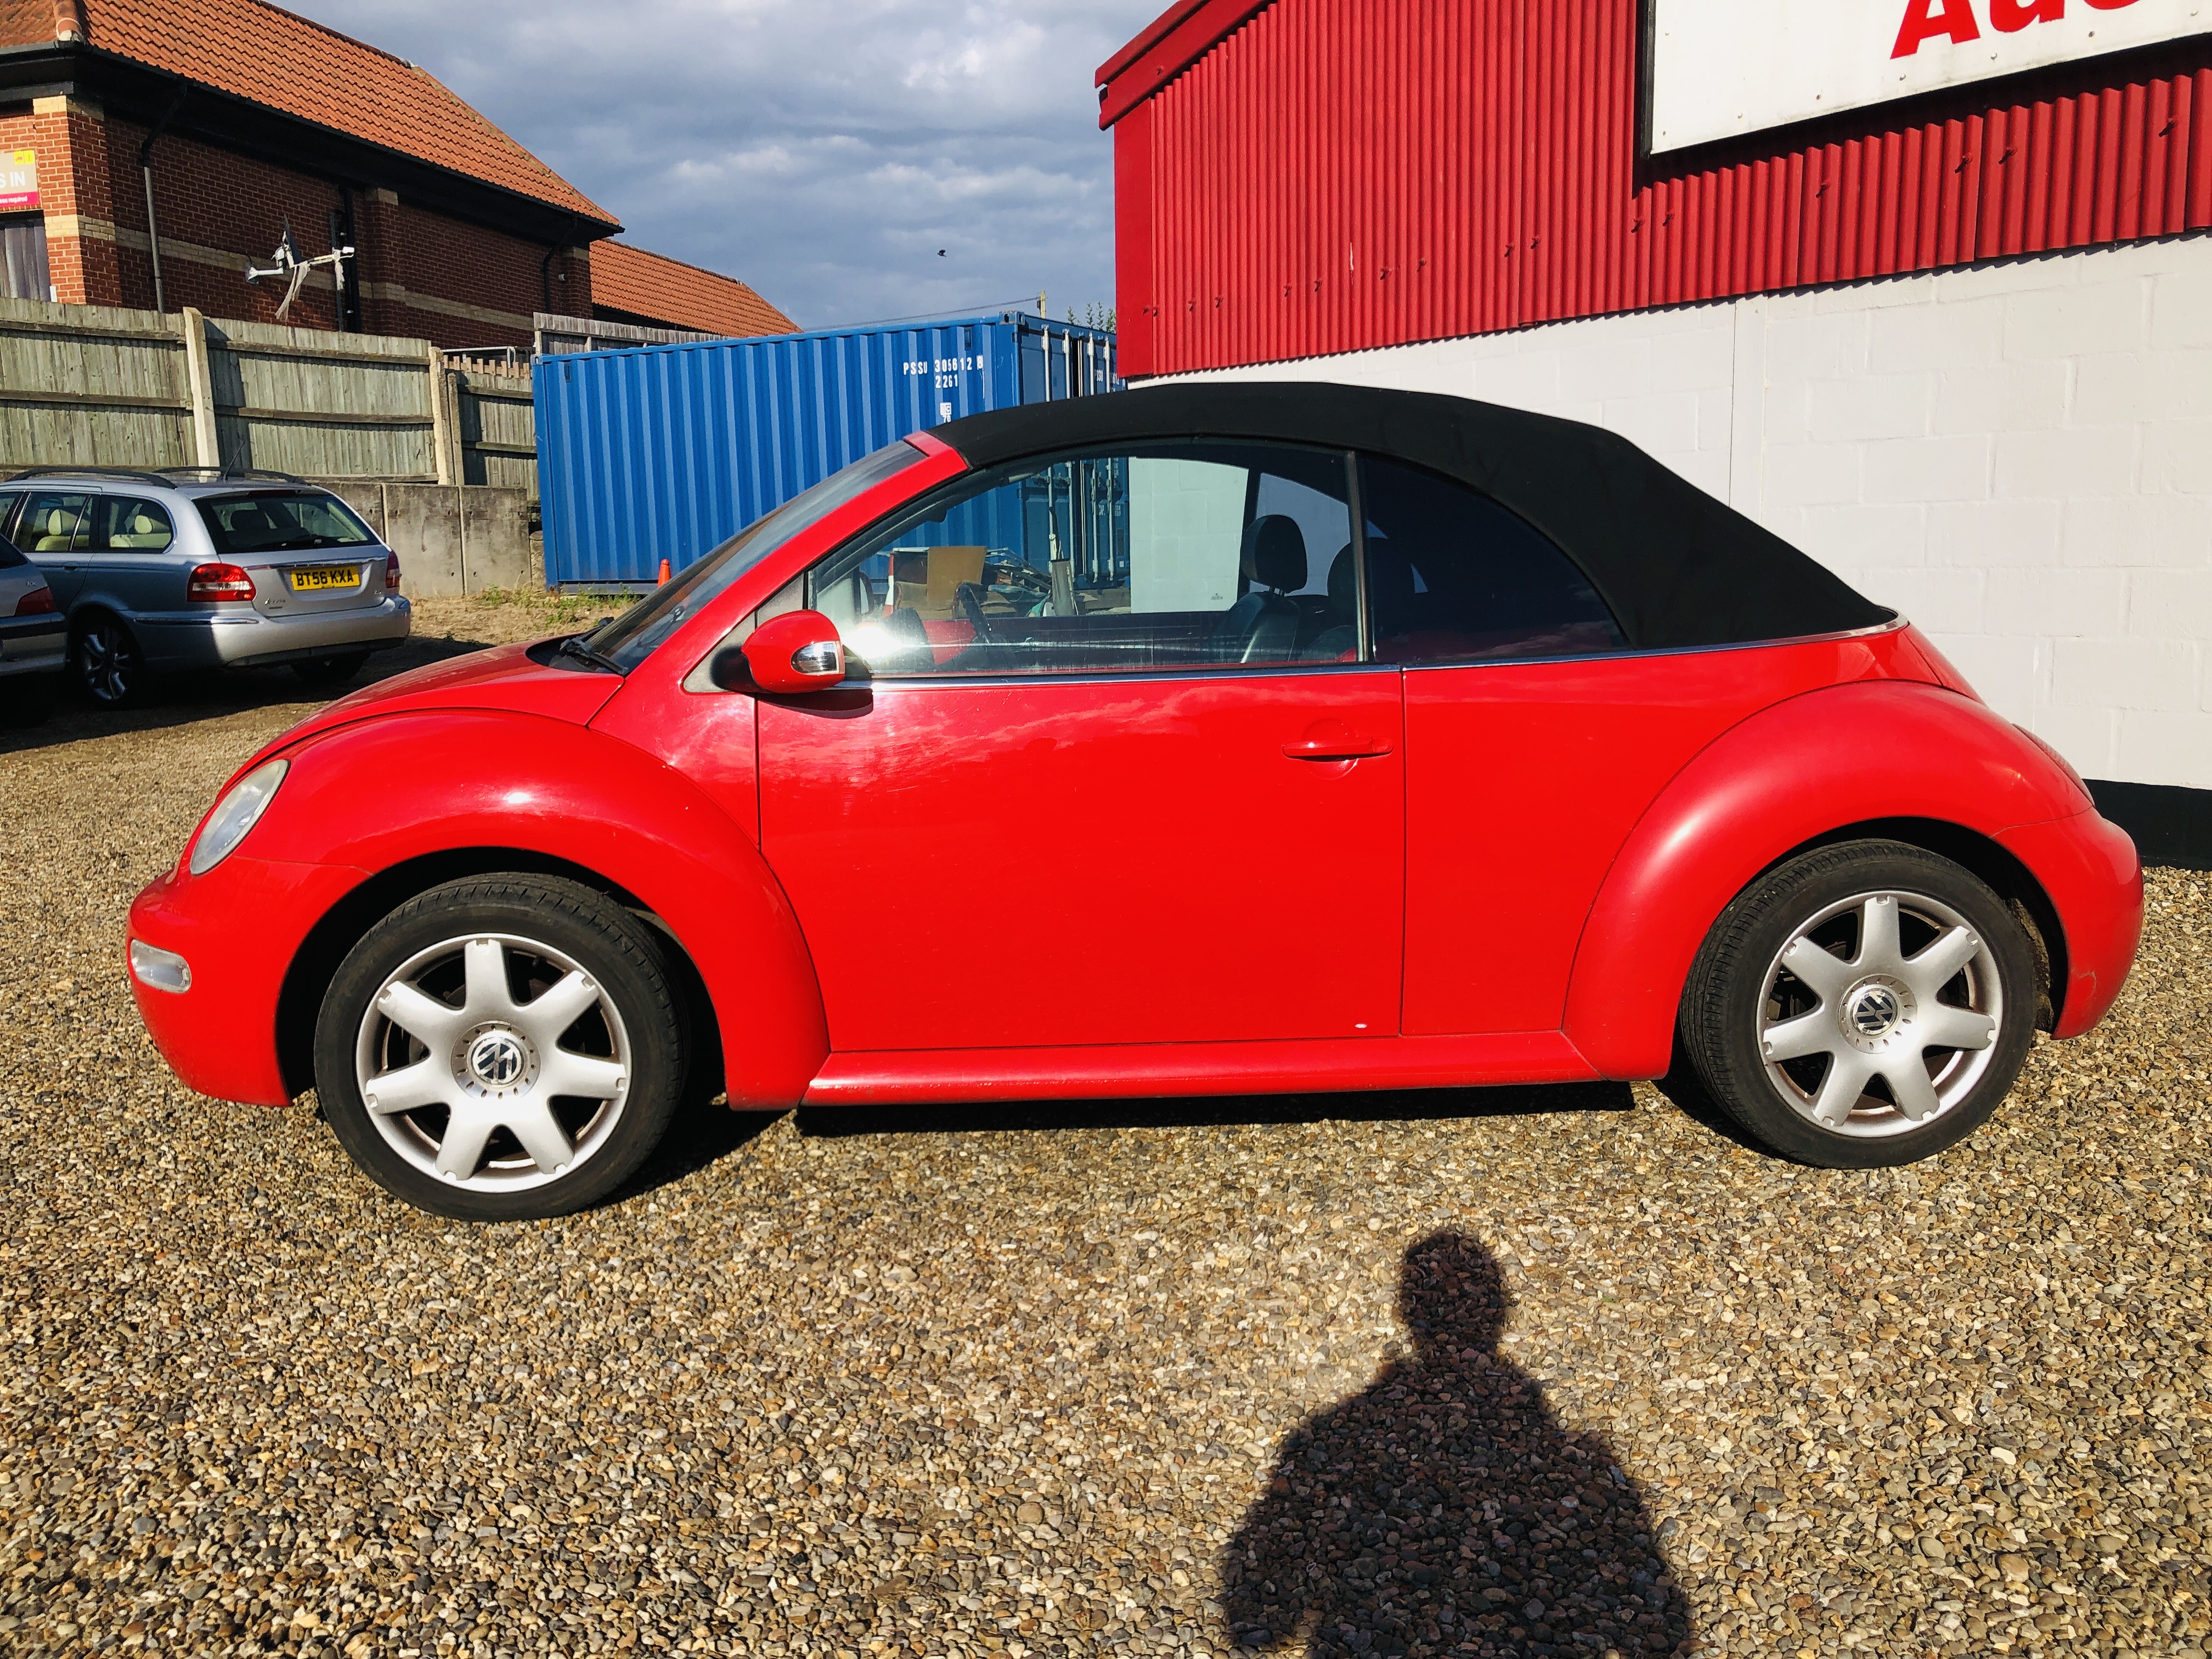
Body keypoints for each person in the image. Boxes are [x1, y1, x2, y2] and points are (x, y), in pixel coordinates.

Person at [1223, 1231, 1691, 1658]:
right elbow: (1657, 1619)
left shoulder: (1326, 1438)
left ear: (1408, 1312)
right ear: (1498, 1312)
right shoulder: (1582, 1459)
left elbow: (1261, 1611)